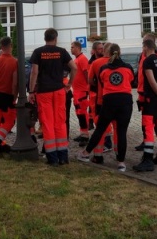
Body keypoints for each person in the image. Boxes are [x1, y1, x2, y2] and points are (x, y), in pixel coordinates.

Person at [78, 43, 133, 172]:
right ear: (119, 53)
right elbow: (130, 80)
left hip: (108, 101)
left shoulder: (103, 68)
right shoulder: (128, 68)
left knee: (100, 129)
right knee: (121, 132)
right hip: (125, 101)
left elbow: (99, 82)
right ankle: (121, 162)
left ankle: (86, 153)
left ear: (107, 53)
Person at [28, 28, 77, 166]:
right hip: (59, 90)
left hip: (44, 92)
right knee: (60, 122)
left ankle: (52, 158)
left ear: (45, 38)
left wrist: (31, 92)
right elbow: (74, 68)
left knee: (47, 124)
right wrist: (69, 85)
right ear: (55, 38)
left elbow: (34, 72)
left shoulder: (38, 52)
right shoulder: (61, 52)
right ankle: (63, 156)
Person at [133, 39, 157, 172]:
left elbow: (152, 81)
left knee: (148, 126)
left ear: (145, 47)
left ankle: (148, 159)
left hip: (151, 99)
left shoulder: (147, 61)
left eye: (143, 47)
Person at [135, 32, 157, 151]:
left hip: (150, 92)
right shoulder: (143, 55)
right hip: (142, 90)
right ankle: (146, 140)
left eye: (144, 42)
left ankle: (156, 144)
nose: (143, 45)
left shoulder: (156, 56)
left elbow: (155, 78)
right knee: (145, 118)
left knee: (153, 119)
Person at [70, 40, 90, 146]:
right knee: (78, 113)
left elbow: (87, 74)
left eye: (72, 47)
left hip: (82, 91)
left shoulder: (82, 59)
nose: (71, 49)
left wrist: (88, 87)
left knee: (82, 113)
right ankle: (82, 133)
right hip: (77, 91)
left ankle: (85, 136)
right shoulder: (77, 59)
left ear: (78, 48)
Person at [87, 41, 104, 130]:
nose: (102, 50)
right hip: (94, 91)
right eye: (99, 48)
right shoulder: (91, 62)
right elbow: (90, 78)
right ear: (94, 50)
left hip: (104, 91)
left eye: (102, 48)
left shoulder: (105, 60)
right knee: (94, 110)